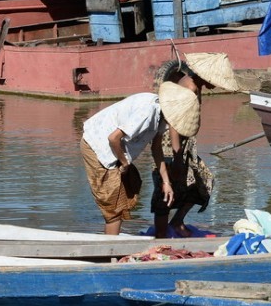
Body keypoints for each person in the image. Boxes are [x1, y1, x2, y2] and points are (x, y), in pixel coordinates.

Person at [80, 81, 200, 235]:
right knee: (114, 211)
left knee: (127, 194)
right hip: (98, 146)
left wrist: (166, 182)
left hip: (115, 150)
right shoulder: (147, 113)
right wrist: (124, 163)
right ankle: (110, 254)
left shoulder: (163, 114)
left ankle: (112, 245)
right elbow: (113, 138)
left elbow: (156, 149)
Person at [153, 52, 241, 238]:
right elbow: (174, 123)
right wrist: (177, 157)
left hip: (185, 143)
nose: (215, 85)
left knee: (203, 181)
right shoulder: (189, 88)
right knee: (166, 187)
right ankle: (161, 234)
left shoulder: (194, 83)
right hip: (172, 143)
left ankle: (177, 221)